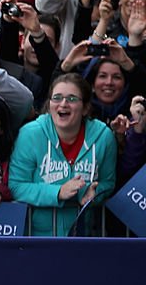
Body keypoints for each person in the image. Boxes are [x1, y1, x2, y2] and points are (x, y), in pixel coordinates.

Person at [8, 74, 117, 236]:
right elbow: (17, 186)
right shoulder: (29, 134)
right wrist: (58, 192)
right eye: (57, 98)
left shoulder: (104, 136)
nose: (63, 104)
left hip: (84, 238)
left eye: (72, 99)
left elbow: (108, 183)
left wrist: (93, 194)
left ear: (85, 107)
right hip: (38, 238)